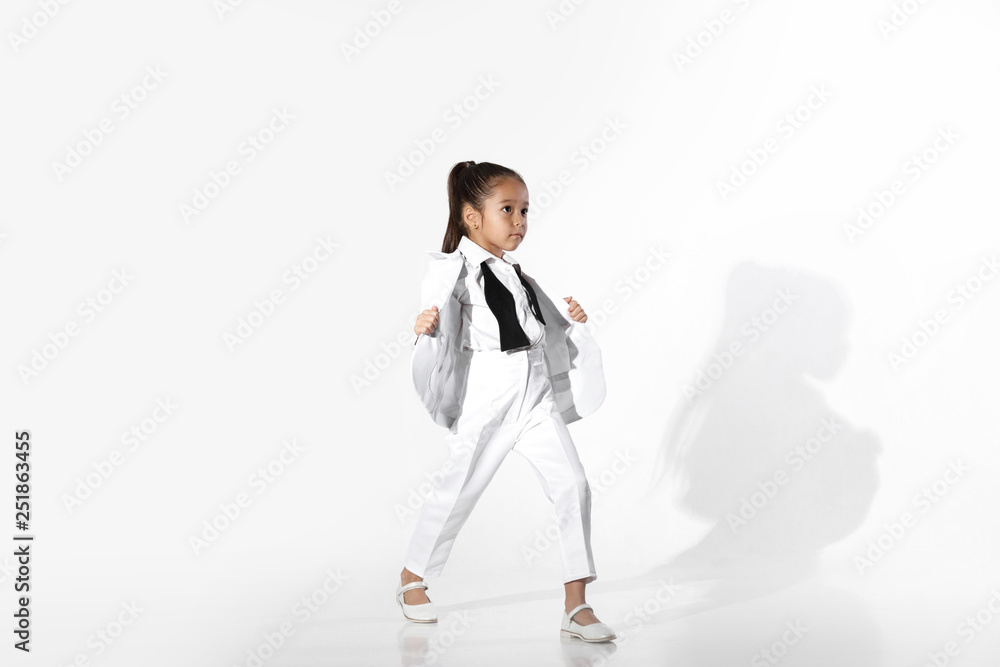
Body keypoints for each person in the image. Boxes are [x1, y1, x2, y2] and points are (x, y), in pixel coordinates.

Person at [396, 160, 616, 642]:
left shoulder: (517, 273)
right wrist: (422, 329)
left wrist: (565, 315)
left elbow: (537, 323)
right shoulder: (455, 270)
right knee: (460, 486)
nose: (520, 221)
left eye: (524, 210)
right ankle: (413, 577)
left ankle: (576, 605)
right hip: (489, 393)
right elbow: (435, 314)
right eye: (508, 210)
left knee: (573, 485)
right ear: (472, 217)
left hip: (534, 394)